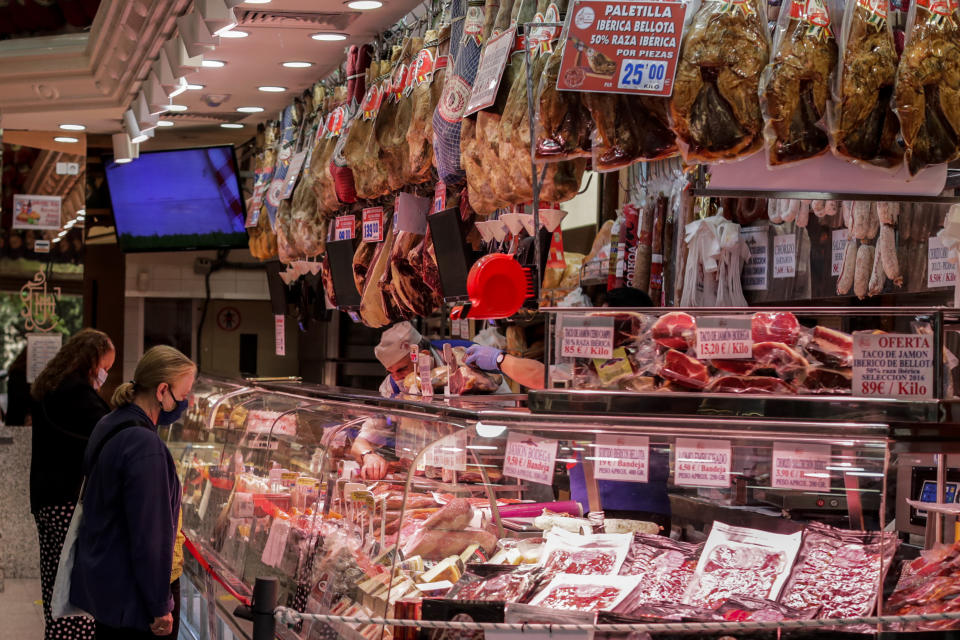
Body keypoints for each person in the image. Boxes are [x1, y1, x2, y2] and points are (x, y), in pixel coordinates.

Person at [465, 287, 672, 532]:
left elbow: (540, 377)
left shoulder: (618, 369)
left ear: (633, 329)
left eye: (609, 324)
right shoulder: (652, 372)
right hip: (617, 503)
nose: (599, 332)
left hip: (619, 507)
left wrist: (499, 360)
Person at [70, 345, 196, 639]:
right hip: (132, 598)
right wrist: (159, 604)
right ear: (162, 390)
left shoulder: (110, 421)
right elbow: (150, 536)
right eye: (183, 394)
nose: (185, 402)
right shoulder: (145, 446)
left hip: (106, 583)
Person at [30, 328, 115, 640]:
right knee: (72, 590)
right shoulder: (75, 393)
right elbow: (109, 430)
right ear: (91, 361)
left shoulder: (52, 386)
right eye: (106, 366)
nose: (106, 373)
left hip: (48, 500)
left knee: (56, 582)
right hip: (67, 500)